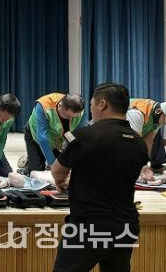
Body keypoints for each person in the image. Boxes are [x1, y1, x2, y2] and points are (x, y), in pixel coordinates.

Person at [51, 83, 148, 272]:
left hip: (89, 225)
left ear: (102, 104)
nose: (91, 110)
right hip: (126, 225)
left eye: (92, 105)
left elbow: (57, 171)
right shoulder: (139, 143)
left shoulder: (84, 135)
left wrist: (62, 182)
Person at [22, 93, 85, 175]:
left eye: (74, 117)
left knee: (65, 166)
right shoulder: (43, 105)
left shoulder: (79, 110)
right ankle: (28, 165)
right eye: (68, 115)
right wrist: (52, 164)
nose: (71, 119)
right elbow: (42, 138)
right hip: (35, 135)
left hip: (55, 140)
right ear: (60, 106)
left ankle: (37, 158)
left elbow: (77, 135)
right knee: (37, 170)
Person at [126, 98, 166, 180]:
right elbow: (135, 143)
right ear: (159, 111)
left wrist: (144, 164)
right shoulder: (137, 113)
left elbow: (148, 142)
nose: (165, 123)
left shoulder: (157, 117)